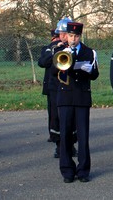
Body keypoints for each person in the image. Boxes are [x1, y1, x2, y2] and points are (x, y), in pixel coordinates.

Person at [56, 21, 99, 183]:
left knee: (83, 136)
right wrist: (62, 55)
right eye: (70, 36)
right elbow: (48, 67)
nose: (73, 39)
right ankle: (67, 170)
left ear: (80, 36)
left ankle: (83, 171)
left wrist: (89, 70)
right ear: (66, 36)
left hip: (82, 97)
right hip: (65, 97)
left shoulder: (89, 52)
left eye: (76, 36)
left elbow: (95, 74)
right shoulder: (60, 50)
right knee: (65, 135)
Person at [39, 17, 76, 158]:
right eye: (60, 34)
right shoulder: (52, 47)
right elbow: (42, 62)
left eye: (64, 34)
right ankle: (59, 145)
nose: (62, 37)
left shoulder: (73, 47)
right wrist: (55, 52)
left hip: (71, 86)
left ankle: (71, 145)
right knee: (56, 117)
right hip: (54, 86)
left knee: (71, 117)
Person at [40, 28, 60, 144]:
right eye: (55, 37)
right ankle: (53, 133)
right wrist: (53, 51)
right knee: (52, 110)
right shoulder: (48, 48)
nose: (57, 40)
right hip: (50, 83)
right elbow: (42, 62)